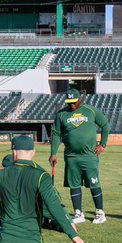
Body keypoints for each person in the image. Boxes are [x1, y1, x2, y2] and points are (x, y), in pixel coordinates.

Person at [49, 89, 111, 224]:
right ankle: (78, 214)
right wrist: (53, 153)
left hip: (89, 155)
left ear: (80, 99)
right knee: (74, 184)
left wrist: (103, 144)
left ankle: (100, 212)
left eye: (74, 102)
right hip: (71, 157)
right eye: (69, 102)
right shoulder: (61, 114)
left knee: (94, 183)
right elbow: (56, 134)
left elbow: (105, 125)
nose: (72, 105)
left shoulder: (91, 110)